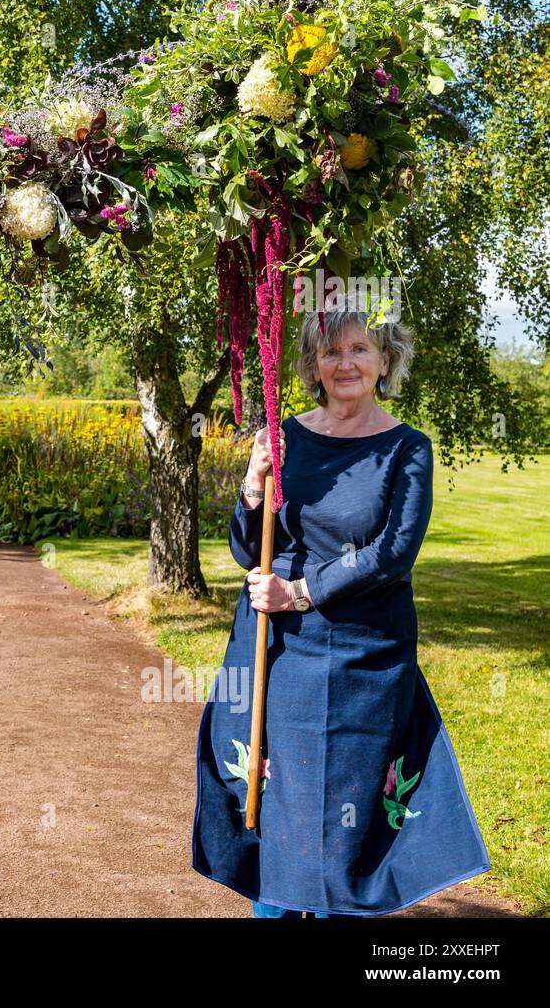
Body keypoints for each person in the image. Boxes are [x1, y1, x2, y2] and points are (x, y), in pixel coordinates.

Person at [192, 309, 490, 917]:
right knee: (273, 804)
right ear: (313, 365)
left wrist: (299, 591)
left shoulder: (407, 449)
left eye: (360, 349)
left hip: (363, 658)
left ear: (385, 360)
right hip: (277, 651)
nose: (345, 363)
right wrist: (252, 482)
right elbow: (252, 550)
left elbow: (391, 555)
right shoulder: (283, 438)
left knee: (342, 826)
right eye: (331, 352)